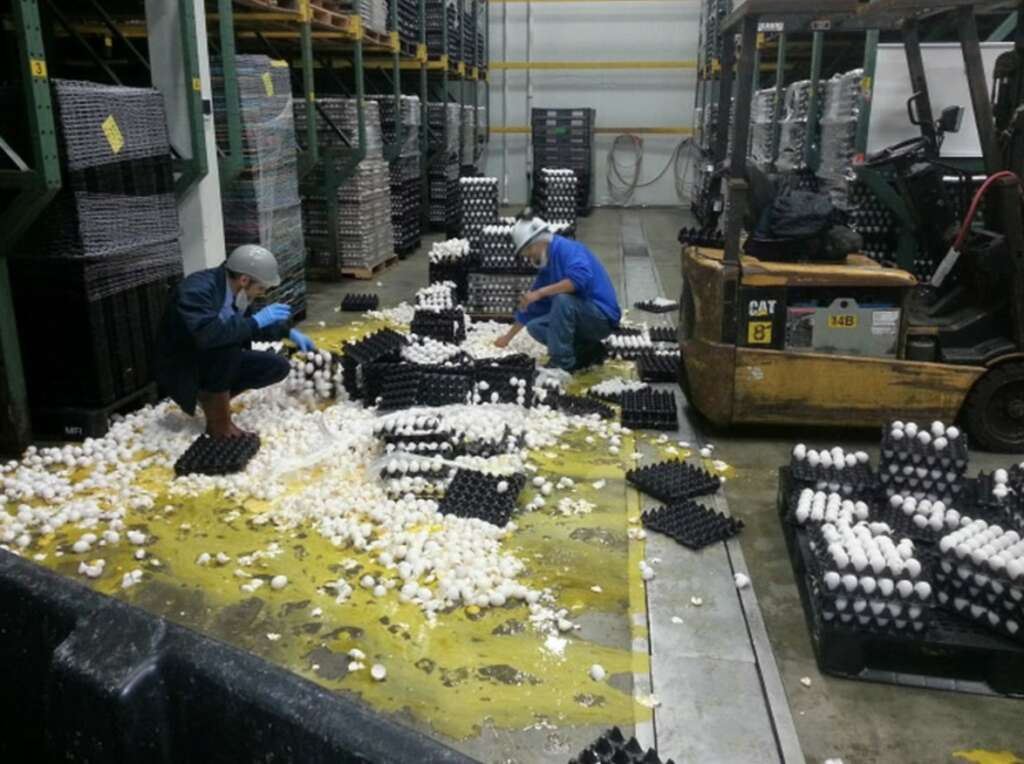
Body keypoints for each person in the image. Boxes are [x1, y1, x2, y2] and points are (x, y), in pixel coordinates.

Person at [155, 245, 316, 438]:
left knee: (277, 366)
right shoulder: (197, 291)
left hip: (210, 358)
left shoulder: (236, 294)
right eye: (260, 288)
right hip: (184, 365)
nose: (261, 293)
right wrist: (257, 320)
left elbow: (246, 328)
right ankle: (219, 425)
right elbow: (207, 335)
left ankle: (209, 398)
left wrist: (286, 332)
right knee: (227, 345)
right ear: (244, 279)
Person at [494, 215, 621, 371]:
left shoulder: (568, 250)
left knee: (562, 301)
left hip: (601, 318)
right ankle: (589, 351)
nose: (528, 256)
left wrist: (541, 292)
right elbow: (531, 308)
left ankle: (562, 364)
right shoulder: (547, 264)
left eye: (528, 250)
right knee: (535, 326)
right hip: (582, 317)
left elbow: (579, 280)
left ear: (540, 240)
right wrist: (507, 338)